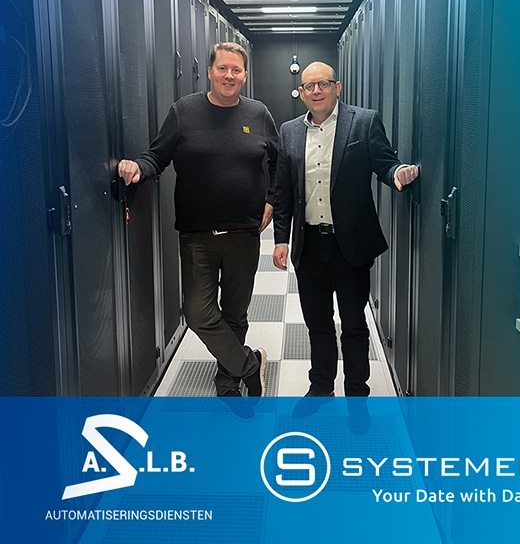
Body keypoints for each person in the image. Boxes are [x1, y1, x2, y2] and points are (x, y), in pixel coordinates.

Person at [118, 42, 278, 414]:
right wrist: (138, 167)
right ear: (209, 72)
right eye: (222, 68)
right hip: (197, 235)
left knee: (235, 313)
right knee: (199, 314)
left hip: (244, 233)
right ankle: (249, 364)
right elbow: (157, 155)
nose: (229, 76)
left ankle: (227, 382)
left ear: (245, 75)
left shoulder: (258, 113)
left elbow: (280, 162)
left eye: (236, 70)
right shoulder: (184, 111)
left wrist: (272, 199)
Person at [273, 61, 419, 418]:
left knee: (354, 324)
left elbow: (384, 162)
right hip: (309, 245)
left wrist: (398, 172)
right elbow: (282, 191)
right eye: (309, 86)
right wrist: (281, 239)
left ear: (337, 87)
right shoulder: (289, 131)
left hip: (349, 244)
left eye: (323, 84)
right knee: (317, 323)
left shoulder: (363, 122)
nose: (316, 91)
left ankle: (357, 397)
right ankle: (321, 386)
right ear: (301, 93)